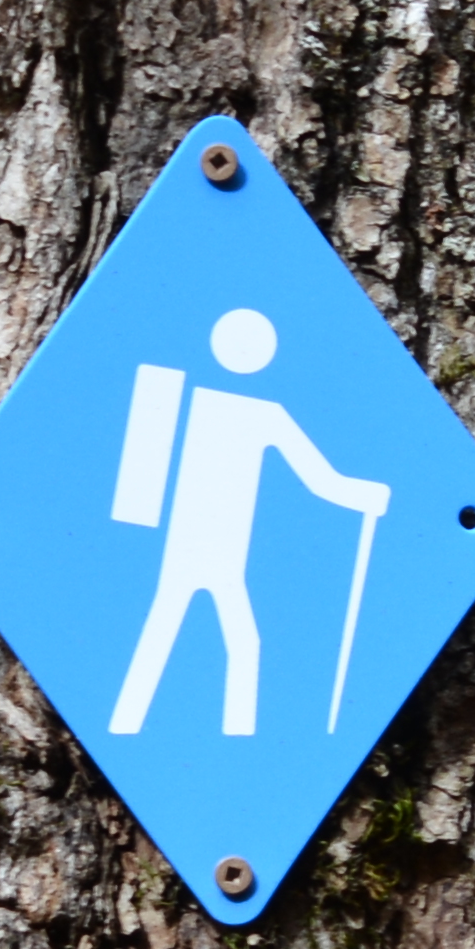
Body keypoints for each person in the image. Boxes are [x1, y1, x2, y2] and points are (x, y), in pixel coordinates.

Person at [108, 307, 388, 740]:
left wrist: (363, 495)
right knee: (229, 641)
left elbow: (319, 479)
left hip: (207, 550)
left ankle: (134, 725)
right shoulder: (257, 414)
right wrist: (366, 497)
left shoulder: (212, 404)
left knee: (183, 634)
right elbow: (320, 480)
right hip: (205, 548)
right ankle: (219, 737)